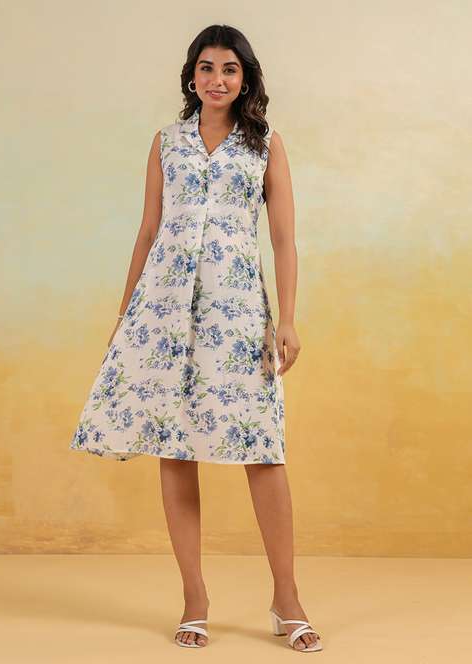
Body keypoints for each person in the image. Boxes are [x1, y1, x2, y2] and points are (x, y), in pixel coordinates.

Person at [69, 24, 322, 652]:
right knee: (174, 445)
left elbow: (284, 239)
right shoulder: (167, 142)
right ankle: (194, 598)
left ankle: (287, 599)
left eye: (229, 69)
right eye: (206, 68)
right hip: (164, 310)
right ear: (191, 76)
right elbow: (148, 230)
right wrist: (125, 315)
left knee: (262, 450)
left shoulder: (265, 146)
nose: (217, 79)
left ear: (245, 78)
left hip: (236, 312)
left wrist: (288, 318)